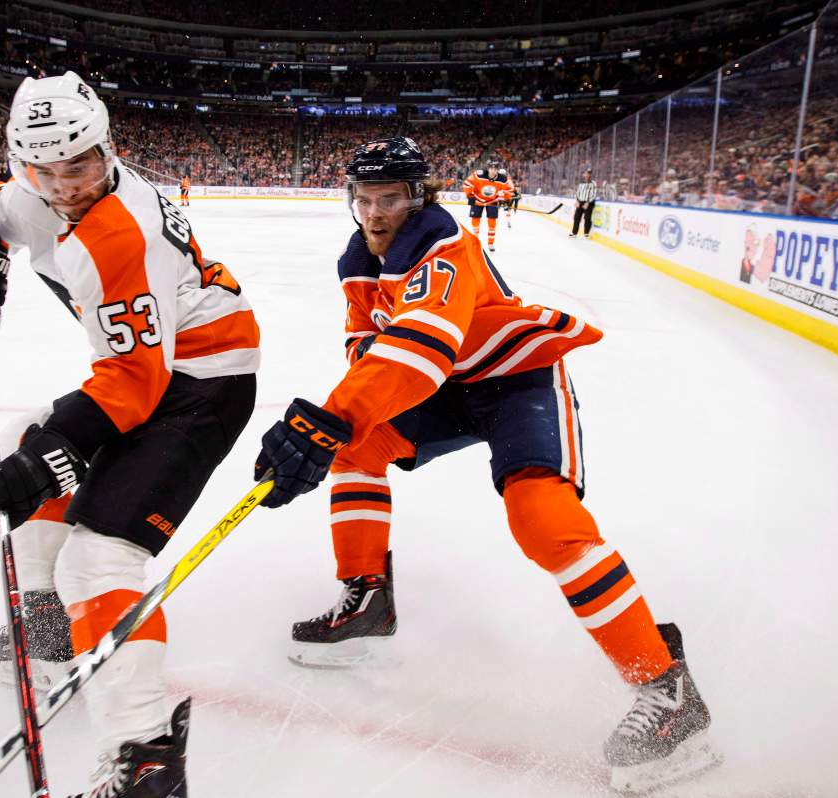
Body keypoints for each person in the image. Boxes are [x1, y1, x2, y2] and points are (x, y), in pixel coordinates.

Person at [252, 137, 719, 793]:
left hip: (515, 381)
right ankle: (367, 601)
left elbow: (420, 349)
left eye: (390, 199)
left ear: (420, 199)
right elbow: (370, 350)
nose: (376, 212)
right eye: (365, 199)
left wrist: (326, 419)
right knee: (357, 448)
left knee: (541, 519)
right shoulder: (356, 262)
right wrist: (335, 429)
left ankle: (669, 693)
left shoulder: (443, 246)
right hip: (444, 391)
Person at [0, 71, 261, 797]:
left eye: (77, 166)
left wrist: (44, 466)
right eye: (41, 169)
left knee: (99, 555)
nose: (62, 185)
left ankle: (145, 757)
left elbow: (135, 385)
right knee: (31, 439)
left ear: (107, 148)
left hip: (202, 384)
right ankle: (52, 639)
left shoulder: (120, 233)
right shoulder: (37, 183)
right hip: (159, 368)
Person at [463, 158, 512, 250]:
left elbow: (509, 190)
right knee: (475, 221)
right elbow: (467, 184)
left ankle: (490, 243)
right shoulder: (478, 175)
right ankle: (475, 240)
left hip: (492, 202)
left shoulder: (504, 179)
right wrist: (471, 197)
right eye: (491, 168)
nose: (493, 170)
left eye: (495, 169)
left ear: (498, 169)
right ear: (488, 168)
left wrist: (505, 199)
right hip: (478, 200)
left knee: (492, 223)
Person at [571, 168, 597, 238]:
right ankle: (574, 233)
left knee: (587, 218)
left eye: (589, 173)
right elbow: (578, 193)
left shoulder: (593, 183)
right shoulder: (581, 183)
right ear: (584, 174)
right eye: (586, 173)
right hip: (580, 202)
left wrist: (588, 202)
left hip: (589, 203)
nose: (587, 175)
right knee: (576, 217)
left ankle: (586, 233)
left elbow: (593, 194)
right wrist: (577, 201)